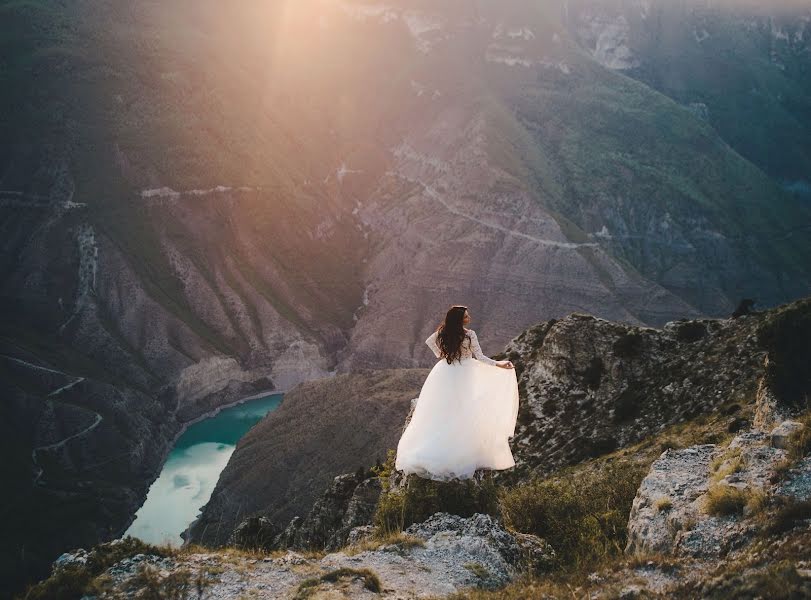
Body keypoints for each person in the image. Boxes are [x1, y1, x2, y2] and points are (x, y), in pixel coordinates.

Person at [395, 304, 519, 481]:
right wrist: (500, 364)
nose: (469, 318)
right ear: (460, 319)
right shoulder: (470, 334)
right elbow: (480, 357)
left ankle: (442, 446)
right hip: (465, 372)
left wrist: (442, 354)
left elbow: (430, 342)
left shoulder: (444, 331)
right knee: (464, 409)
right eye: (466, 316)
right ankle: (461, 449)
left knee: (446, 409)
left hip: (446, 371)